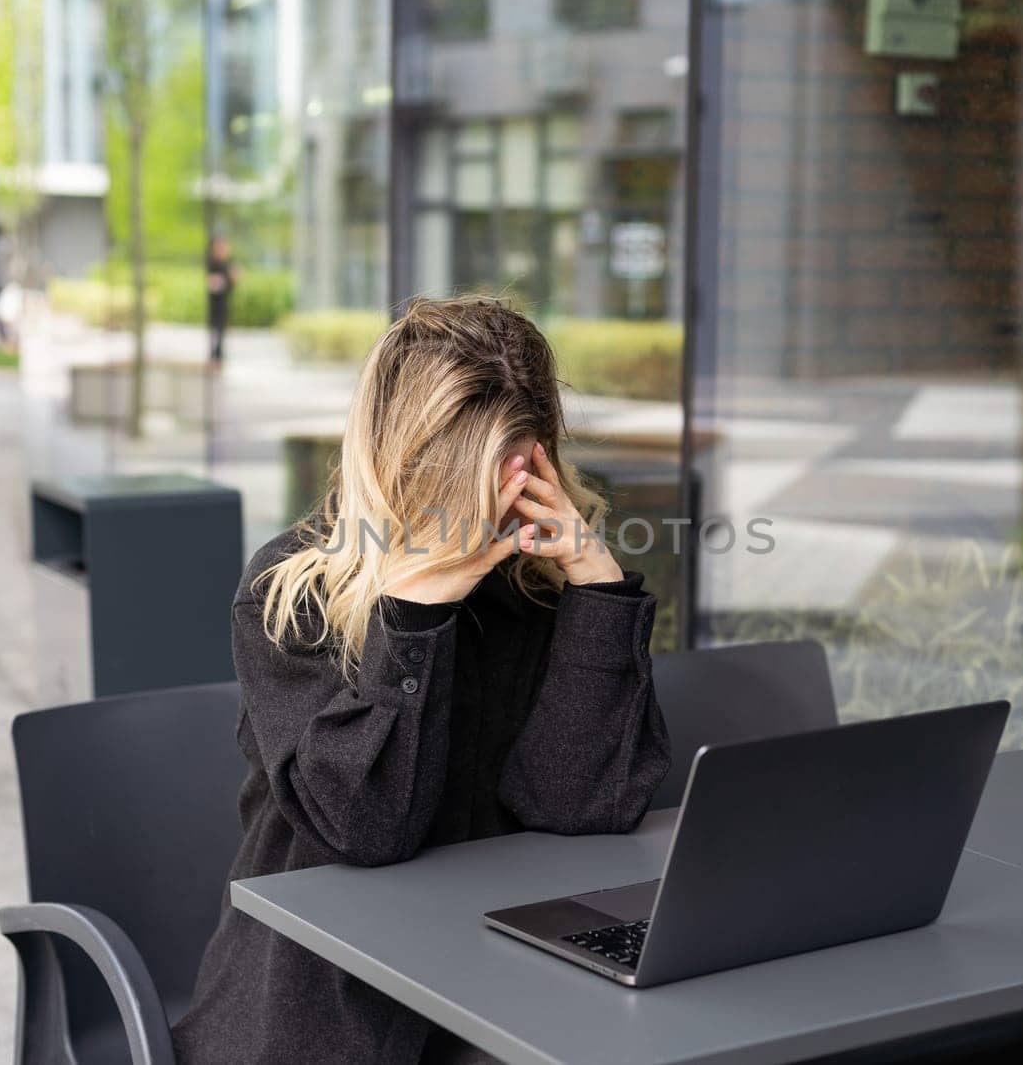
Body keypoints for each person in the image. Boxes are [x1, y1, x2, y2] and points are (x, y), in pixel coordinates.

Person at [171, 296, 671, 1065]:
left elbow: (580, 807)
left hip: (501, 979)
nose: (475, 509)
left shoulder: (536, 587)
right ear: (395, 454)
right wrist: (414, 615)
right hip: (320, 1004)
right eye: (453, 479)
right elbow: (364, 830)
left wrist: (598, 593)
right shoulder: (291, 590)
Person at [206, 235, 237, 368]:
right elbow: (215, 285)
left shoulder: (226, 264)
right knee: (215, 331)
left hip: (223, 304)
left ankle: (218, 357)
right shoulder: (212, 264)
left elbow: (228, 287)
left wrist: (232, 280)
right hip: (215, 305)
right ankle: (214, 357)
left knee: (221, 331)